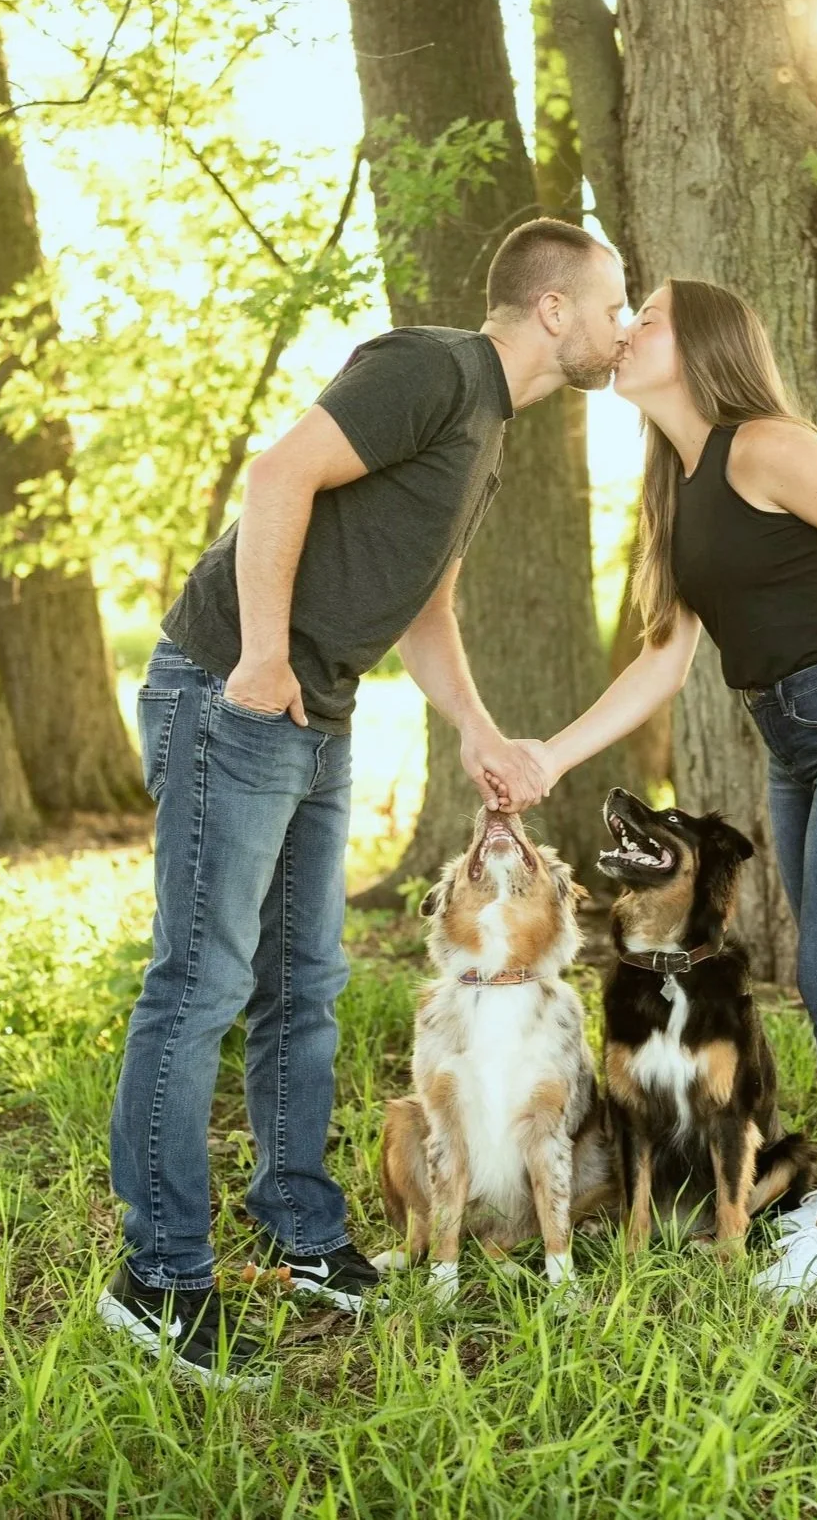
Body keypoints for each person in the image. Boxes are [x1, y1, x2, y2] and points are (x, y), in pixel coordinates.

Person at [98, 219, 627, 1387]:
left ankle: (300, 1229)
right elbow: (280, 471)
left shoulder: (488, 433)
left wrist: (477, 728)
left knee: (307, 984)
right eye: (613, 302)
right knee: (199, 982)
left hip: (312, 711)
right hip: (236, 694)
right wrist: (264, 659)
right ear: (553, 308)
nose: (622, 324)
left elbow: (423, 599)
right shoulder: (433, 369)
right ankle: (159, 1273)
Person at [529, 278, 817, 1300]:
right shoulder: (674, 482)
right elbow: (660, 661)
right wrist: (552, 755)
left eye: (645, 316)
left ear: (697, 346)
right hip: (795, 741)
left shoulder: (763, 444)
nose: (626, 327)